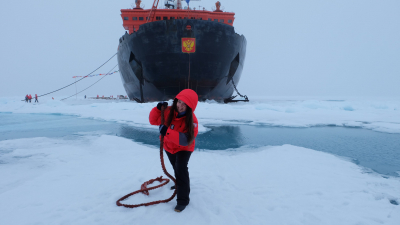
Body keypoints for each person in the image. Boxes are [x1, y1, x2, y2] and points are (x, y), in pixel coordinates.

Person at [149, 89, 199, 212]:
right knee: (175, 167)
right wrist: (157, 109)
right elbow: (153, 121)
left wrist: (166, 131)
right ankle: (179, 185)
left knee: (181, 169)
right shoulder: (167, 111)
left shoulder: (192, 120)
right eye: (179, 102)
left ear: (190, 106)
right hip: (168, 147)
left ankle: (183, 200)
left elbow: (186, 139)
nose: (180, 106)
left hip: (184, 148)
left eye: (184, 104)